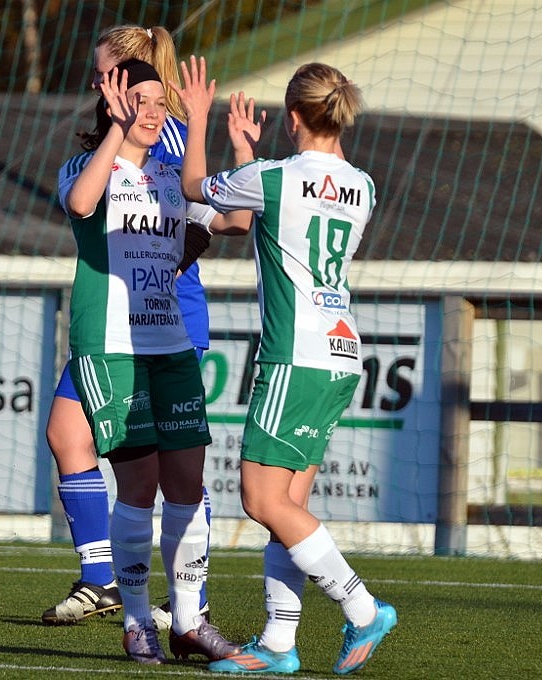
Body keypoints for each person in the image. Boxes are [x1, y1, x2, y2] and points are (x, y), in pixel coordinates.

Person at [176, 57, 398, 675]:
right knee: (288, 505)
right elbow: (261, 211)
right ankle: (278, 643)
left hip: (294, 356)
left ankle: (362, 608)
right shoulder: (363, 187)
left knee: (260, 498)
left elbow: (196, 188)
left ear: (294, 116)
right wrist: (248, 154)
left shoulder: (274, 176)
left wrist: (199, 119)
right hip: (340, 354)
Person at [57, 59, 249, 665]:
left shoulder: (170, 175)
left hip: (171, 345)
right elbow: (81, 204)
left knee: (188, 482)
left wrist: (221, 135)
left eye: (158, 101)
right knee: (138, 485)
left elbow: (237, 220)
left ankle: (189, 622)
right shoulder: (86, 168)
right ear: (113, 104)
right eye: (137, 99)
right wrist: (116, 131)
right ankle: (137, 620)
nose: (150, 109)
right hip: (112, 348)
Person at [41, 24, 213, 630]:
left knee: (172, 466)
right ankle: (103, 579)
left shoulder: (165, 130)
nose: (95, 82)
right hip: (113, 325)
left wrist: (160, 265)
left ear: (128, 75)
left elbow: (207, 218)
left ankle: (189, 595)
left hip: (166, 320)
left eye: (102, 72)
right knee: (70, 435)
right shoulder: (108, 141)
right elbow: (85, 202)